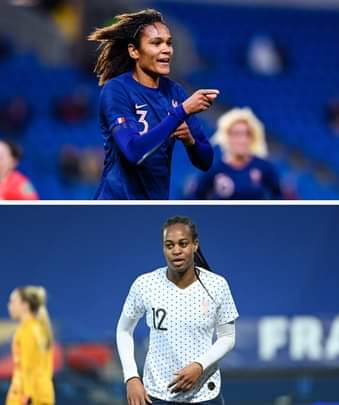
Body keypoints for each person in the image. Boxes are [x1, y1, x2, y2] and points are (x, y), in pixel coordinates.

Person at [88, 9, 218, 199]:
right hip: (115, 207)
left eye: (169, 43)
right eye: (156, 43)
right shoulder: (116, 91)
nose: (166, 49)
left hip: (153, 208)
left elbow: (206, 161)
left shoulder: (175, 92)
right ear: (134, 51)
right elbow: (133, 152)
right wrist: (181, 112)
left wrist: (190, 141)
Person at [116, 216, 238, 404]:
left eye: (183, 243)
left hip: (205, 394)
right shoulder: (145, 284)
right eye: (169, 245)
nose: (176, 251)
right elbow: (124, 330)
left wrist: (200, 366)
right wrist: (131, 377)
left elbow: (228, 337)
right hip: (157, 394)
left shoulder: (216, 285)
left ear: (195, 245)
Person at [190, 108, 281, 200]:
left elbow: (278, 196)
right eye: (236, 134)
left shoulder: (264, 167)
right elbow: (195, 198)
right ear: (227, 137)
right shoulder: (215, 169)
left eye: (247, 134)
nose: (242, 140)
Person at [6, 286, 55, 405]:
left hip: (27, 396)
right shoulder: (41, 328)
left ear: (25, 305)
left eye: (13, 302)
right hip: (43, 393)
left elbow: (28, 368)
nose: (9, 305)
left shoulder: (26, 331)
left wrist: (27, 398)